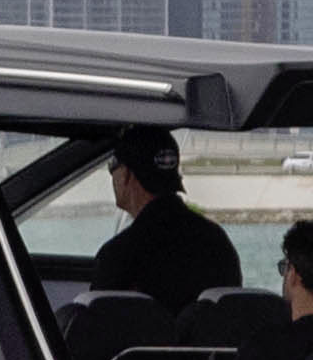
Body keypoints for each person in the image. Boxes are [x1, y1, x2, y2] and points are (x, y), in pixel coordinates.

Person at [92, 130, 238, 306]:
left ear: (126, 175)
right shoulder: (217, 242)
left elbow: (97, 321)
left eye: (112, 166)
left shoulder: (119, 254)